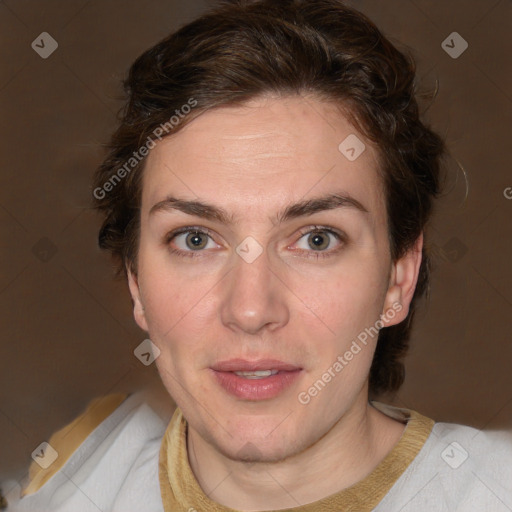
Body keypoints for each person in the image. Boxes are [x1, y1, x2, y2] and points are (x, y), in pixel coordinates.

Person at [6, 0, 512, 510]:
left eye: (317, 239)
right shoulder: (68, 485)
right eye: (195, 239)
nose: (250, 310)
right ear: (136, 280)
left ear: (399, 278)